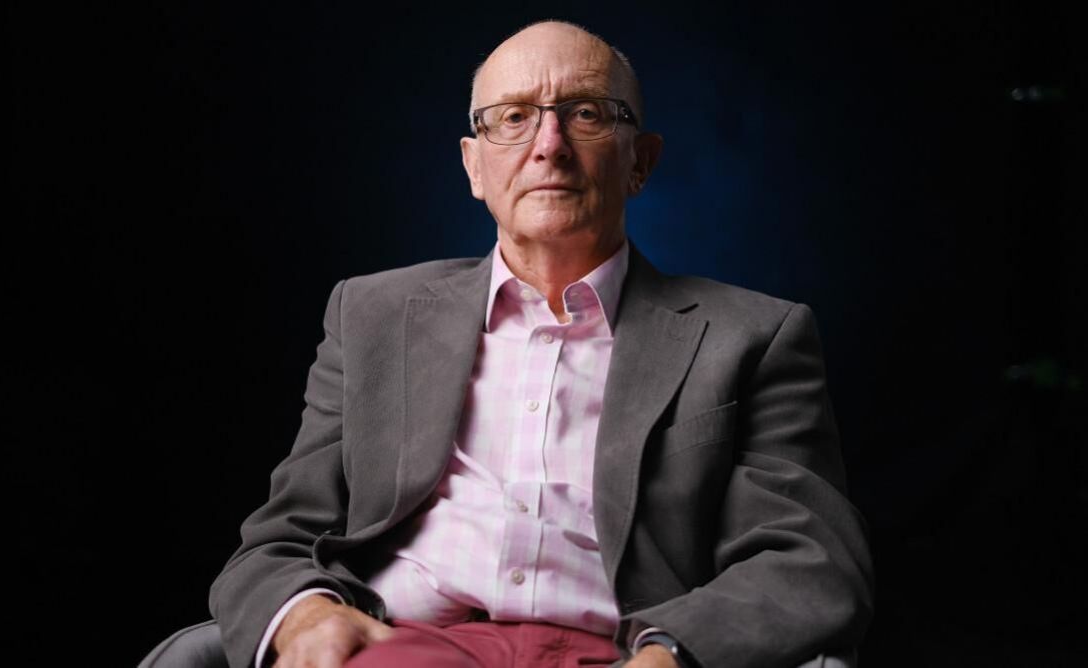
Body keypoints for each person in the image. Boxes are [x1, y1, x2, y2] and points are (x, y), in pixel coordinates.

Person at [210, 20, 873, 668]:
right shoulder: (371, 316)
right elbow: (280, 538)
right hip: (407, 645)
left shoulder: (754, 337)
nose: (549, 145)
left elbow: (810, 559)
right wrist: (309, 615)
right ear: (474, 166)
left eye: (585, 114)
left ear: (640, 161)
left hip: (623, 652)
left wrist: (669, 656)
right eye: (512, 117)